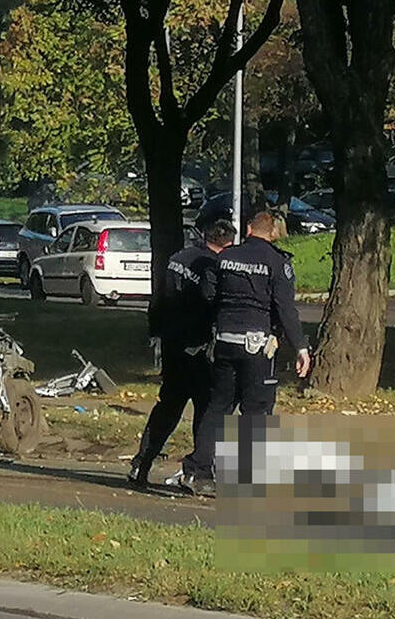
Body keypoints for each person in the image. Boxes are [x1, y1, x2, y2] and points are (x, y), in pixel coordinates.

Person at [175, 211, 310, 492]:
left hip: (225, 341)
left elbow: (208, 294)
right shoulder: (277, 262)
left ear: (248, 229)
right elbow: (285, 308)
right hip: (256, 345)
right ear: (272, 233)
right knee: (256, 410)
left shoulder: (225, 258)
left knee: (218, 406)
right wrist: (301, 347)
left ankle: (198, 472)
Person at [131, 219, 238, 486]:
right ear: (226, 243)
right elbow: (208, 301)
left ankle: (141, 462)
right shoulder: (211, 265)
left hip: (171, 340)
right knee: (206, 408)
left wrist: (155, 328)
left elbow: (160, 296)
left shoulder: (178, 257)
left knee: (168, 405)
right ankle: (199, 469)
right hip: (196, 346)